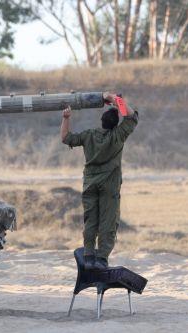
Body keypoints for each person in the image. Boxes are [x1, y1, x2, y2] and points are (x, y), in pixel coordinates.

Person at [60, 92, 139, 270]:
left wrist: (66, 117)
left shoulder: (89, 135)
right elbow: (132, 116)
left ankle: (88, 255)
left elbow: (65, 138)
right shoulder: (118, 136)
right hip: (109, 186)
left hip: (90, 184)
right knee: (108, 221)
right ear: (115, 124)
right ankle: (102, 258)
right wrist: (114, 99)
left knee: (91, 221)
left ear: (102, 121)